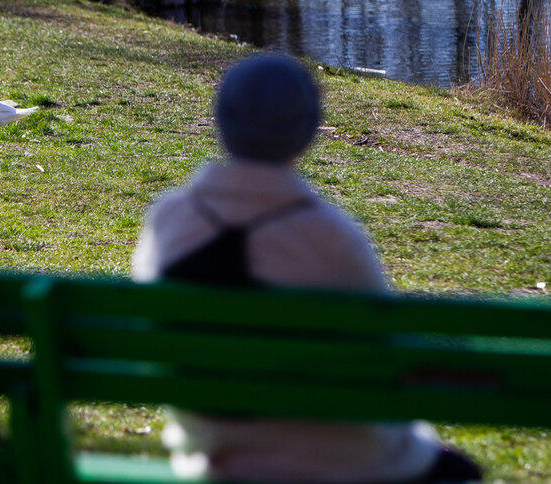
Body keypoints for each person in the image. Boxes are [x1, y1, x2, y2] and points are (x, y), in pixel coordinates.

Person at [131, 55, 482, 483]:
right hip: (339, 461)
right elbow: (390, 352)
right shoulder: (329, 235)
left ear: (221, 120)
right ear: (308, 129)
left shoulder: (169, 219)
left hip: (218, 458)